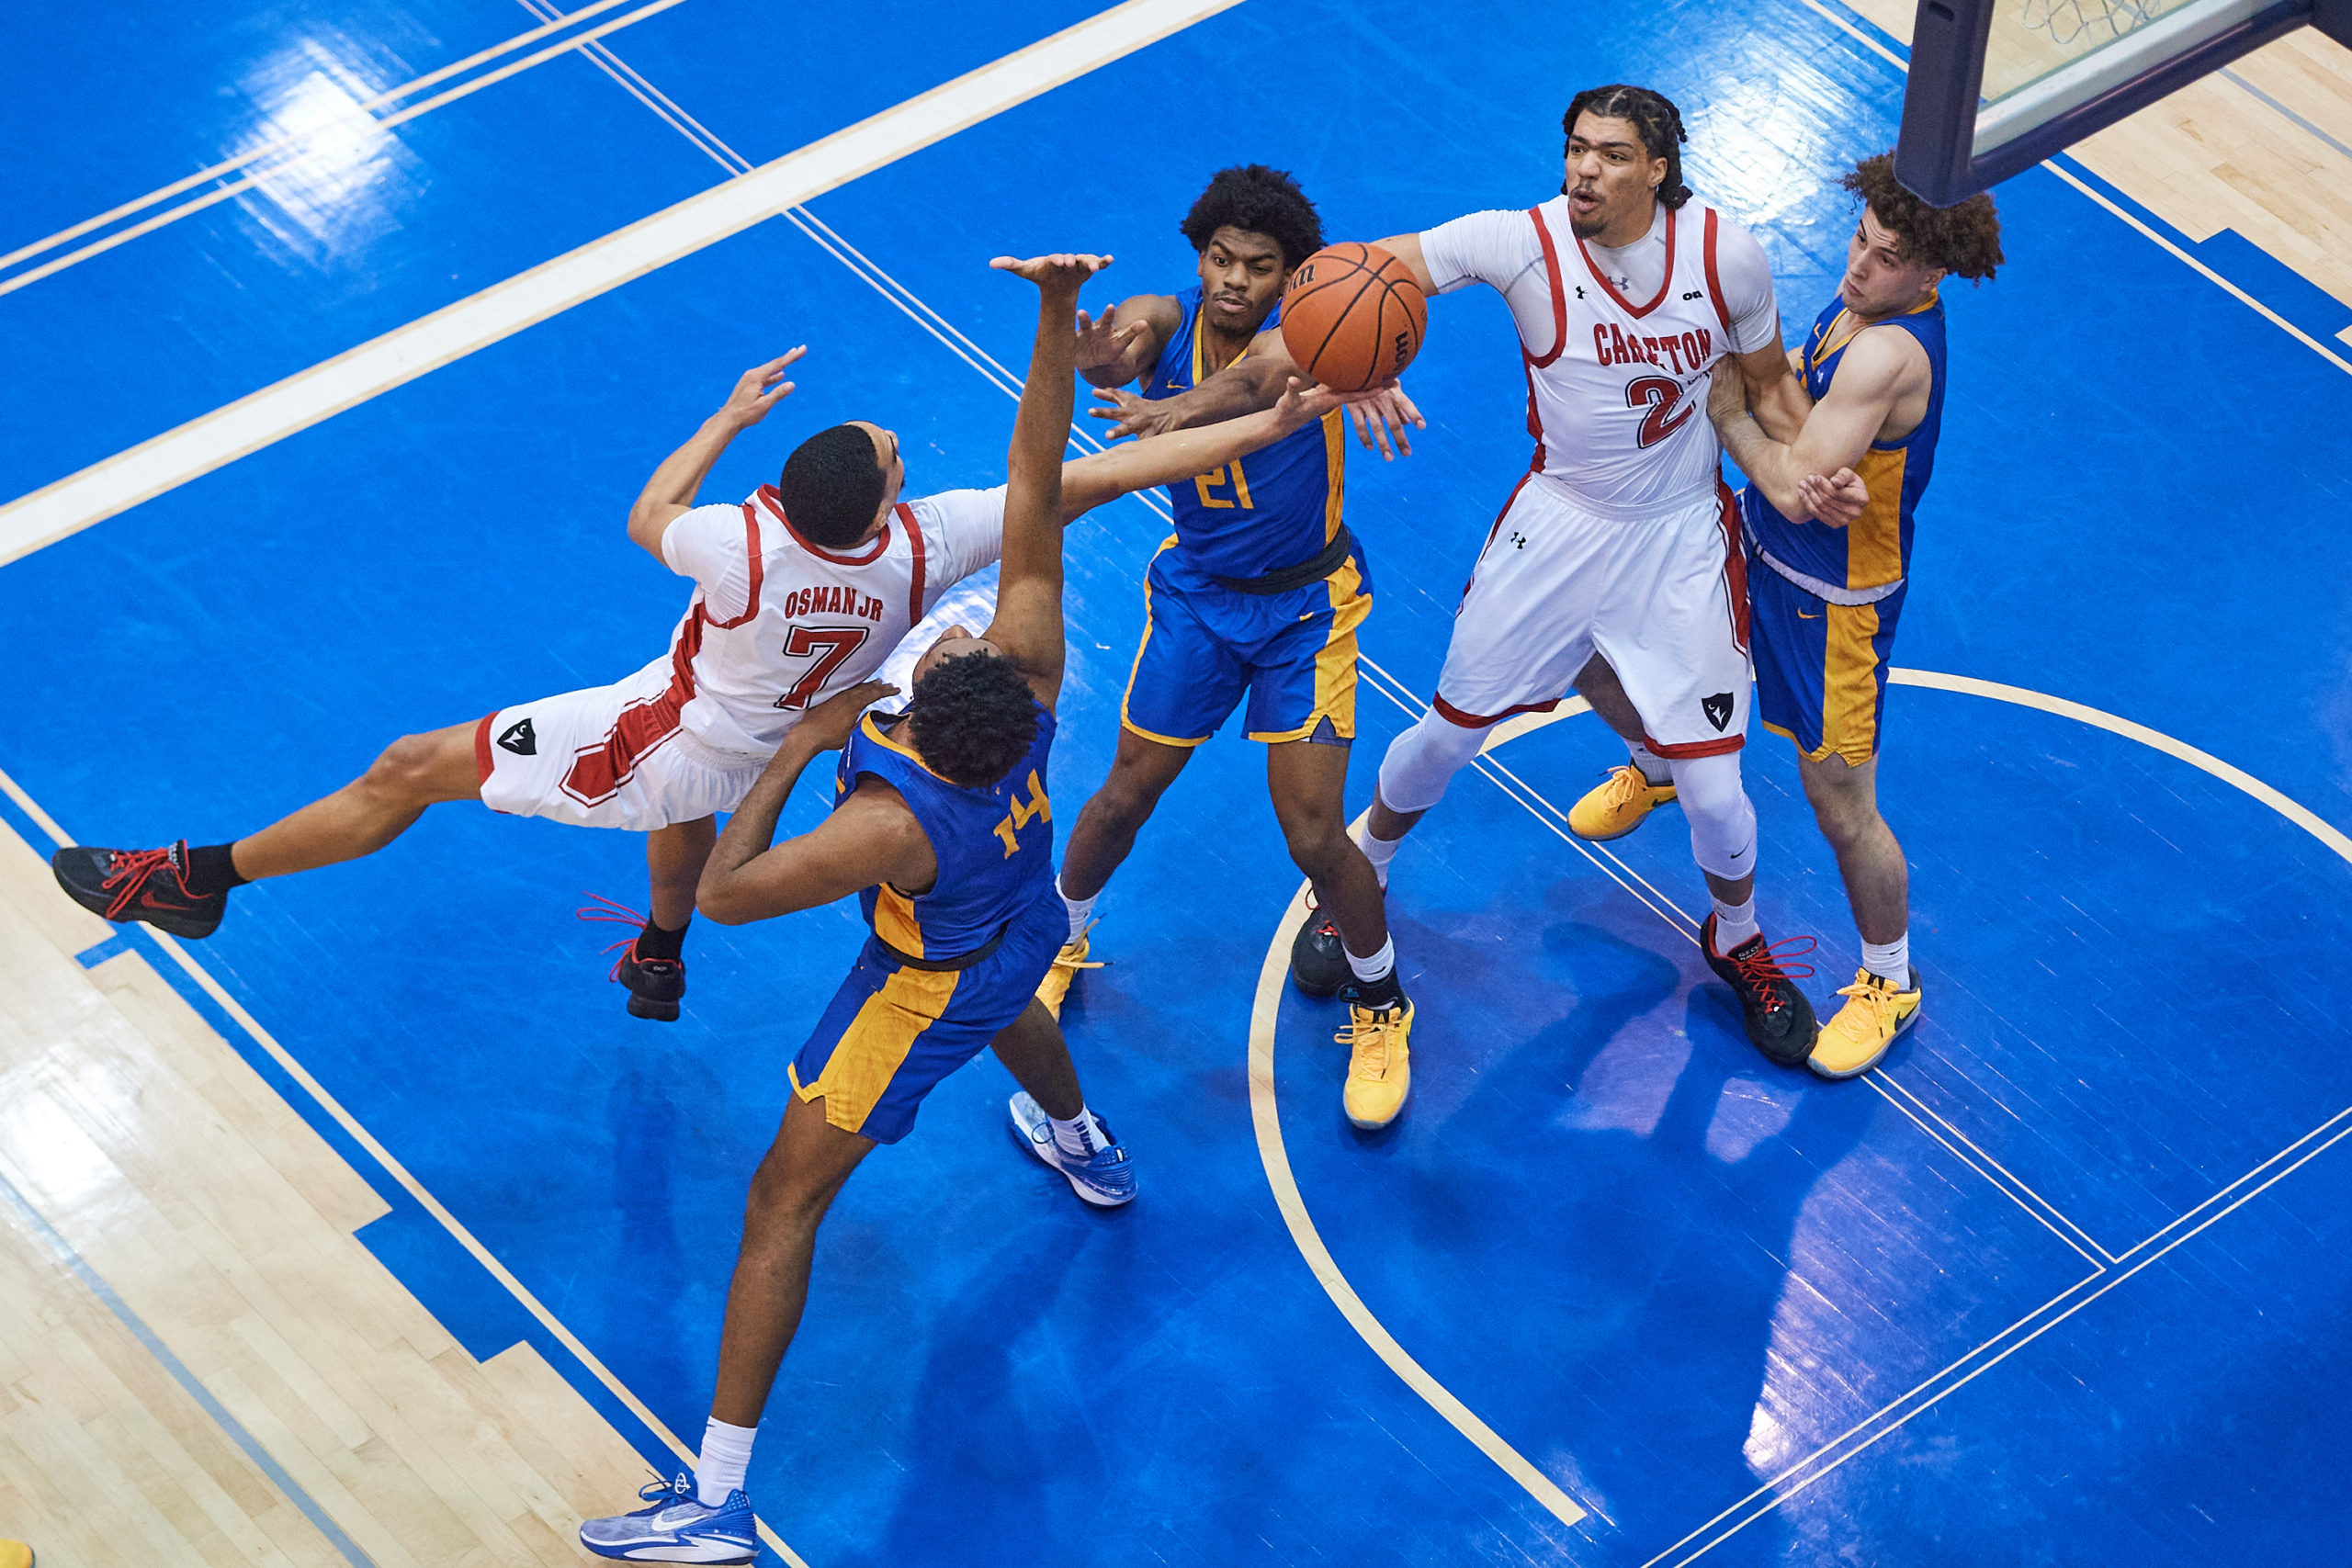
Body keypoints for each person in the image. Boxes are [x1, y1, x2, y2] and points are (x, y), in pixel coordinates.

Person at [576, 252, 1343, 1562]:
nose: (942, 635)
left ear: (921, 723)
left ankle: (718, 1497)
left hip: (917, 982)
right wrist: (1055, 318)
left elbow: (726, 890)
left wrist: (796, 743)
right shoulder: (1036, 676)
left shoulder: (885, 818)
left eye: (934, 653)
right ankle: (1082, 1134)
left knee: (780, 1204)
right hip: (1022, 927)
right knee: (1017, 998)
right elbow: (1038, 472)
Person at [51, 343, 1344, 1022]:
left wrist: (729, 412)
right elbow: (1099, 480)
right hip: (772, 731)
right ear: (887, 504)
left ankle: (196, 879)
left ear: (786, 497)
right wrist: (1276, 423)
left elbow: (644, 510)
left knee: (408, 764)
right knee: (684, 801)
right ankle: (662, 951)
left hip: (676, 728)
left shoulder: (737, 538)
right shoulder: (931, 538)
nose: (897, 445)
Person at [1108, 88, 1864, 1068]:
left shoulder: (1727, 257)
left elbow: (1767, 389)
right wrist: (1345, 359)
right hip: (1555, 528)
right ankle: (1357, 881)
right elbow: (1353, 280)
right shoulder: (1518, 242)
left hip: (1676, 539)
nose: (1584, 169)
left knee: (1717, 797)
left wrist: (1810, 467)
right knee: (1443, 740)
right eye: (1576, 149)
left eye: (1611, 155)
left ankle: (1738, 936)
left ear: (1658, 169)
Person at [1048, 164, 1418, 1130]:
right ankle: (1059, 937)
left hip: (1308, 611)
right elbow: (1122, 346)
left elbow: (1255, 381)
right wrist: (1095, 355)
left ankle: (1381, 1004)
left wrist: (1175, 412)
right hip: (1200, 600)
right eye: (1219, 259)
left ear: (1290, 277)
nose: (1233, 280)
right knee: (1124, 790)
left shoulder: (1306, 338)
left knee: (1309, 834)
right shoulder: (1165, 319)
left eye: (1257, 266)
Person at [1682, 152, 1999, 1078]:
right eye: (1860, 239)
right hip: (1768, 553)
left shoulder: (1891, 351)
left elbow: (1787, 474)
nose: (1858, 263)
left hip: (1835, 605)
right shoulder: (1859, 305)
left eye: (1886, 255)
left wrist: (1726, 410)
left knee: (1840, 804)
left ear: (1931, 272)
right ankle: (1657, 765)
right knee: (1662, 659)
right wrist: (1767, 413)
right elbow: (1791, 399)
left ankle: (1889, 982)